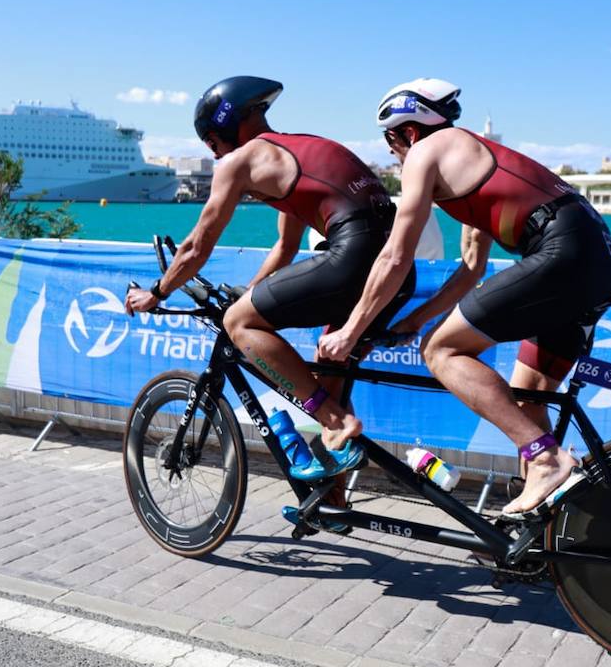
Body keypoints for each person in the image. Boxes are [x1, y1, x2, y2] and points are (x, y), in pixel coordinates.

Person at [317, 78, 611, 516]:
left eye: (390, 138)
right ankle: (544, 527)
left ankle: (547, 460)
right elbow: (471, 269)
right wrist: (414, 319)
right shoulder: (474, 162)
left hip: (563, 254)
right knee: (526, 399)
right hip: (598, 260)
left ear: (409, 130)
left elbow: (396, 256)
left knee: (441, 350)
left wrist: (351, 330)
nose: (390, 151)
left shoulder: (427, 151)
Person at [125, 76, 414, 522]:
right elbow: (284, 251)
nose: (216, 156)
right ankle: (332, 499)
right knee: (327, 367)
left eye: (213, 144)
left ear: (226, 132)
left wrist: (158, 291)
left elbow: (196, 247)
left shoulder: (241, 161)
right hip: (394, 267)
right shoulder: (294, 150)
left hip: (355, 255)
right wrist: (249, 294)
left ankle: (336, 424)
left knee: (240, 326)